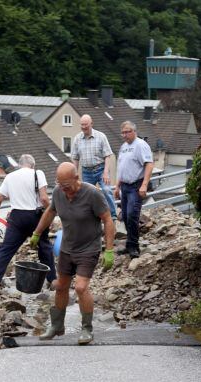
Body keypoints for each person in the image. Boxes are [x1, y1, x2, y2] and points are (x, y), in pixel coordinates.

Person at [29, 162, 115, 345]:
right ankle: (57, 326)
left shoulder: (92, 194)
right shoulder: (59, 193)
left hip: (88, 248)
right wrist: (37, 233)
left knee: (81, 287)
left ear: (77, 178)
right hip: (67, 248)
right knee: (60, 286)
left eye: (67, 185)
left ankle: (87, 329)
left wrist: (109, 249)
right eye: (60, 185)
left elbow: (107, 219)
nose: (63, 189)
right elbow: (50, 212)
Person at [0, 154, 56, 288]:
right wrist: (50, 214)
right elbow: (44, 199)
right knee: (44, 247)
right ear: (33, 165)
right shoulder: (38, 173)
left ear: (19, 165)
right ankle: (52, 280)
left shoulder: (10, 176)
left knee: (6, 248)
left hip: (16, 217)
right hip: (36, 216)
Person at [113, 121, 154, 257]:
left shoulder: (141, 145)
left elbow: (149, 164)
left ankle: (134, 247)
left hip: (136, 185)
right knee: (125, 216)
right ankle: (129, 244)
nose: (125, 135)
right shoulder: (123, 147)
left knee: (132, 215)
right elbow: (121, 168)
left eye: (127, 132)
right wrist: (117, 186)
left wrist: (144, 185)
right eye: (123, 132)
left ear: (134, 131)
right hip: (124, 185)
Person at [70, 114, 118, 221]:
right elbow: (75, 158)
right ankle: (91, 216)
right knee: (87, 194)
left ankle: (113, 215)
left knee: (106, 190)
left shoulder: (101, 136)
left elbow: (107, 155)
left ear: (91, 124)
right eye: (82, 125)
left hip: (100, 169)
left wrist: (106, 172)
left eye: (86, 125)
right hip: (86, 171)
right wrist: (74, 174)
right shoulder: (77, 139)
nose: (84, 127)